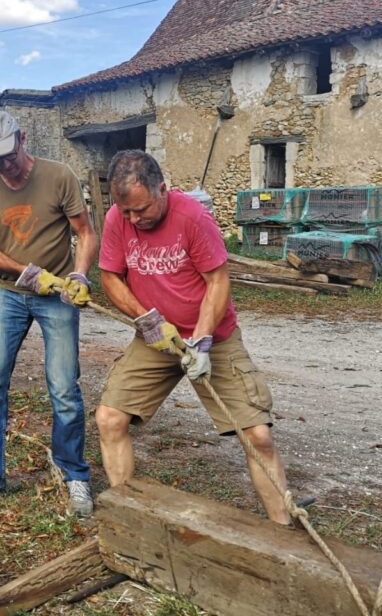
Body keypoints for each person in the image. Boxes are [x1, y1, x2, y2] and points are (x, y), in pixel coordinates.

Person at [95, 149, 293, 526]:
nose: (134, 220)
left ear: (163, 189)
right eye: (127, 213)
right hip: (155, 339)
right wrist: (147, 320)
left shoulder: (193, 217)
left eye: (142, 210)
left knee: (257, 436)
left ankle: (284, 531)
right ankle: (128, 521)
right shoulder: (118, 219)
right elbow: (110, 277)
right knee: (109, 419)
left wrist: (201, 341)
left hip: (212, 338)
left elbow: (217, 281)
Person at [0, 111, 98, 518]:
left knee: (64, 390)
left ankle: (74, 475)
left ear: (22, 139)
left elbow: (85, 233)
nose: (4, 166)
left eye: (8, 155)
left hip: (57, 298)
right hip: (10, 294)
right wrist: (23, 272)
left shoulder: (59, 176)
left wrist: (78, 275)